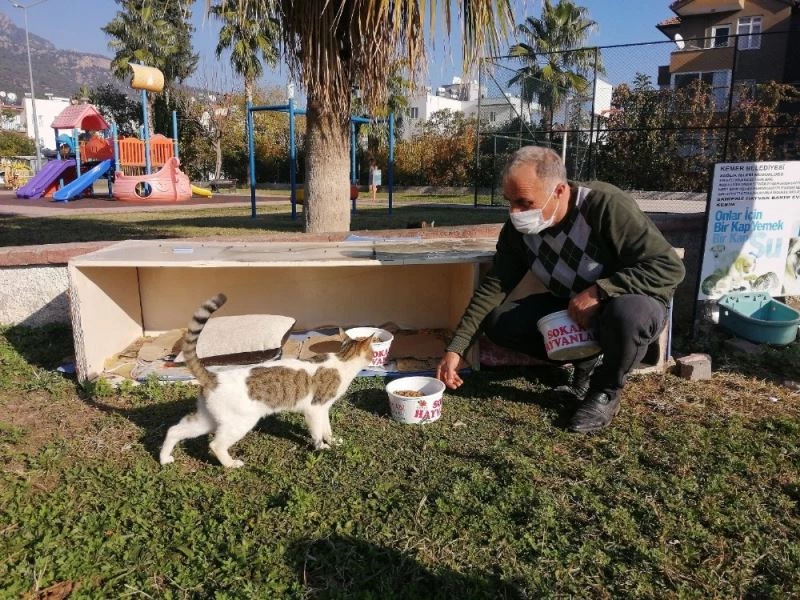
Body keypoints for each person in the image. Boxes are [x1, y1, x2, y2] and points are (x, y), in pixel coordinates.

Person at [436, 146, 685, 432]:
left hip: (633, 304)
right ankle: (586, 359)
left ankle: (605, 391)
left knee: (626, 315)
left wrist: (600, 291)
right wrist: (457, 348)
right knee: (500, 322)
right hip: (573, 308)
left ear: (559, 191)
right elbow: (494, 287)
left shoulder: (605, 205)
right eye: (510, 202)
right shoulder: (517, 232)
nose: (515, 213)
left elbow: (669, 268)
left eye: (525, 202)